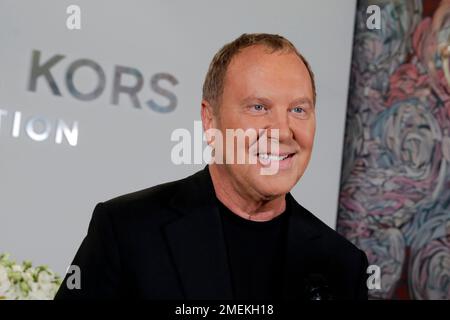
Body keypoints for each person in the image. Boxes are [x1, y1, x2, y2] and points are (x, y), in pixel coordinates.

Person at [55, 33, 368, 300]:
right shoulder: (126, 230)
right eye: (258, 107)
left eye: (299, 109)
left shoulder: (343, 266)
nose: (283, 131)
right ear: (210, 120)